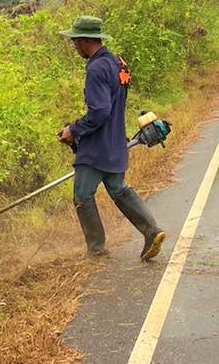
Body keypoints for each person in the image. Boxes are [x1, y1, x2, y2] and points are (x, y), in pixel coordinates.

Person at [58, 15, 166, 261]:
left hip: (96, 148)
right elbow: (115, 103)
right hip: (116, 142)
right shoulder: (119, 63)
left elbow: (100, 112)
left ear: (85, 41)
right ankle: (152, 231)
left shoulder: (96, 69)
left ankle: (96, 250)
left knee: (82, 196)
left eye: (75, 42)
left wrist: (73, 130)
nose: (75, 47)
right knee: (118, 188)